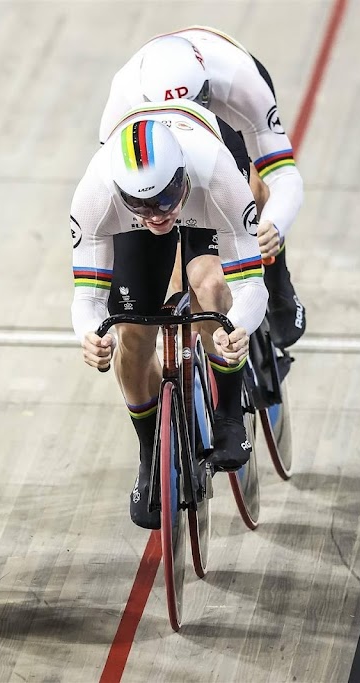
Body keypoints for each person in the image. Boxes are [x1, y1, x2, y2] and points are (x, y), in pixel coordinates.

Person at [71, 99, 268, 529]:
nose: (157, 215)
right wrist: (89, 333)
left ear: (179, 178)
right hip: (150, 211)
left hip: (205, 201)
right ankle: (149, 454)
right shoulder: (97, 193)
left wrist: (239, 327)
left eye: (163, 199)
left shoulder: (216, 176)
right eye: (142, 205)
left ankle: (230, 415)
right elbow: (86, 297)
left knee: (212, 286)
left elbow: (252, 285)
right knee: (130, 334)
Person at [99, 27, 306, 349]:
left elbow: (283, 175)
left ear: (206, 87)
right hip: (158, 133)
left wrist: (273, 226)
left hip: (224, 114)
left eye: (194, 102)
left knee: (252, 188)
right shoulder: (123, 100)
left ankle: (278, 279)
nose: (187, 115)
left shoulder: (240, 83)